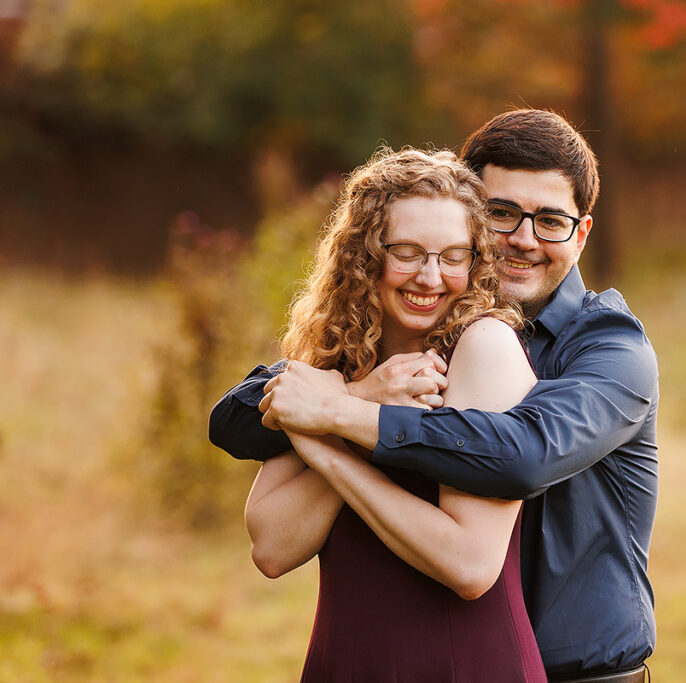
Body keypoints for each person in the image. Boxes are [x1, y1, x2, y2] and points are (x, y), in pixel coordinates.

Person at [211, 109, 659, 682]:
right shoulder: (365, 355)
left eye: (550, 220)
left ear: (582, 231)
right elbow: (236, 422)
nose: (523, 239)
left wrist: (337, 418)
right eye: (502, 213)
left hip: (564, 670)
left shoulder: (606, 347)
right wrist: (356, 392)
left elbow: (522, 456)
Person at [240, 147, 546, 681]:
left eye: (454, 256)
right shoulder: (337, 362)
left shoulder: (484, 349)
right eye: (408, 252)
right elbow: (270, 547)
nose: (431, 278)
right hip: (346, 664)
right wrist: (359, 400)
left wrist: (332, 432)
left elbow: (471, 564)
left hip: (462, 666)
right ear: (364, 256)